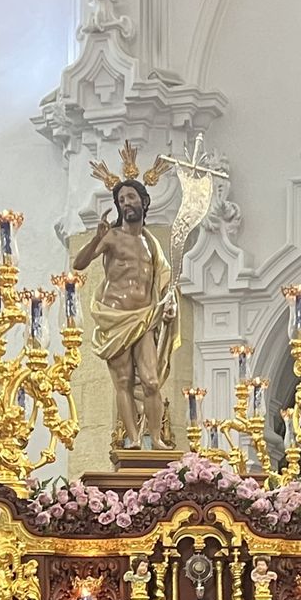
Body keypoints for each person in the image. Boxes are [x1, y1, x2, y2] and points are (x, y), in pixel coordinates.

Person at [73, 177, 177, 450]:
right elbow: (79, 264)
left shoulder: (151, 244)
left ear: (143, 201)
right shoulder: (112, 236)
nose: (125, 204)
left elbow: (162, 281)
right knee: (123, 381)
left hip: (144, 317)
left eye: (130, 198)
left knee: (152, 381)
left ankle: (155, 439)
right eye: (121, 200)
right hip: (116, 316)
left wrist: (169, 303)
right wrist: (97, 236)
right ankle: (132, 439)